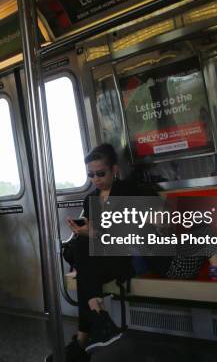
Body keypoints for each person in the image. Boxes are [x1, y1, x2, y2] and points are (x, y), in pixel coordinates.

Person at [50, 144, 145, 362]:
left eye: (101, 173)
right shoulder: (90, 199)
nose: (96, 179)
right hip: (101, 259)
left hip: (125, 256)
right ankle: (96, 317)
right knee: (84, 252)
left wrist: (93, 234)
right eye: (90, 175)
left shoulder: (129, 192)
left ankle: (82, 342)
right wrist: (86, 232)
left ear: (114, 170)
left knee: (84, 263)